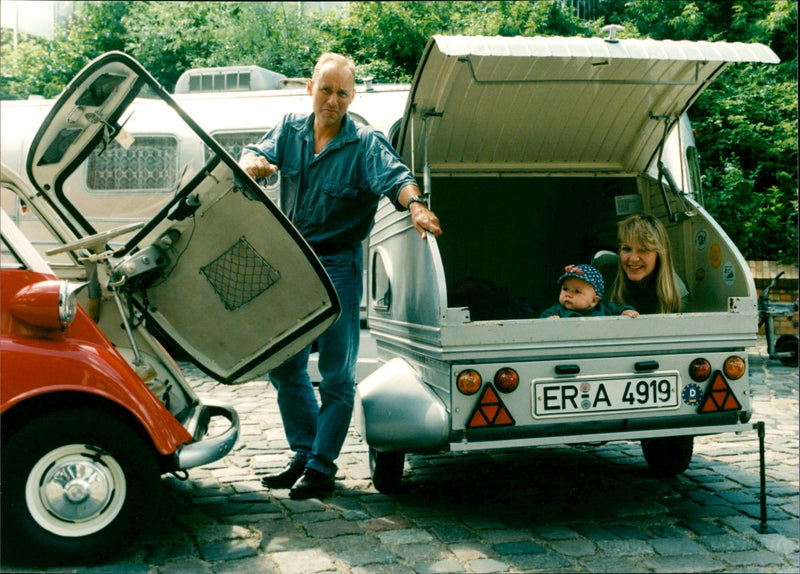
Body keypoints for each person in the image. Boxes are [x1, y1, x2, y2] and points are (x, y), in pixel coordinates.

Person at [238, 52, 442, 500]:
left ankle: (322, 467)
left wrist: (416, 206)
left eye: (342, 93)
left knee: (336, 374)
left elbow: (397, 179)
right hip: (293, 264)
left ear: (353, 96)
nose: (332, 100)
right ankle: (305, 454)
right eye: (325, 90)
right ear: (310, 88)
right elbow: (256, 152)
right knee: (284, 366)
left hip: (338, 266)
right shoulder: (290, 128)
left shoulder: (366, 143)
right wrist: (254, 160)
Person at [609, 214, 690, 314]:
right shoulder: (606, 275)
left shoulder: (678, 294)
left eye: (643, 250)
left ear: (659, 254)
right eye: (626, 249)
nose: (633, 258)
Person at [540, 264, 639, 319]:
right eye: (565, 289)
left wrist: (626, 311)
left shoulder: (606, 309)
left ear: (594, 301)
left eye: (577, 291)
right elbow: (539, 324)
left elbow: (620, 309)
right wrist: (549, 321)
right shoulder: (557, 310)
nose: (568, 294)